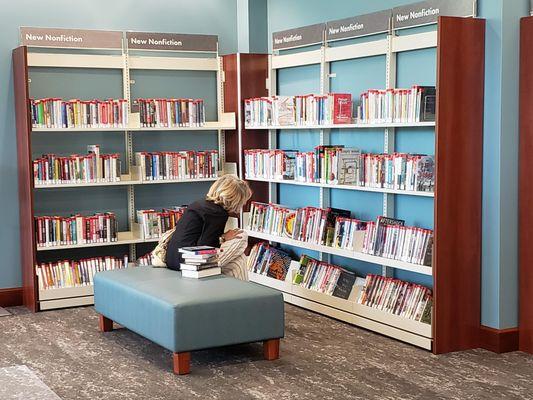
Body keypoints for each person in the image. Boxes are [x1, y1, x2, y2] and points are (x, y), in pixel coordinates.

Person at [165, 175, 252, 280]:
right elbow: (205, 247)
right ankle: (245, 295)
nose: (245, 203)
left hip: (173, 259)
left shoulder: (199, 204)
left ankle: (238, 294)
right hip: (189, 263)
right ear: (235, 198)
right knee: (242, 236)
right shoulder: (218, 213)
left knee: (238, 262)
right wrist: (223, 238)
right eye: (244, 200)